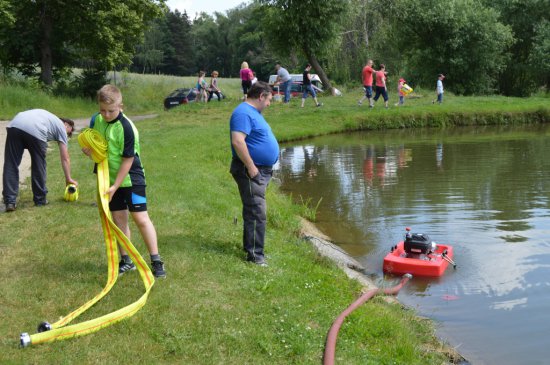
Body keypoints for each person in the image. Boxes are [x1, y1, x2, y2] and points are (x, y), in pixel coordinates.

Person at [82, 84, 166, 278]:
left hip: (131, 179)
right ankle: (126, 261)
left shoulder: (127, 128)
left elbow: (128, 160)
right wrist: (89, 152)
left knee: (140, 218)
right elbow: (98, 148)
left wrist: (115, 186)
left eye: (111, 111)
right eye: (102, 110)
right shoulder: (97, 120)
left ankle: (156, 260)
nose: (106, 115)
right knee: (119, 219)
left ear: (121, 106)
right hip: (109, 180)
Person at [229, 81, 279, 267]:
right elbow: (238, 141)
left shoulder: (252, 113)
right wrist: (251, 167)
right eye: (269, 100)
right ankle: (256, 256)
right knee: (257, 212)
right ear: (261, 96)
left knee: (252, 210)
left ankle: (251, 248)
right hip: (249, 170)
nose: (269, 104)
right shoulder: (242, 113)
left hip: (258, 170)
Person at [2, 109, 77, 212]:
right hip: (36, 129)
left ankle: (10, 201)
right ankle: (40, 200)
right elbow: (65, 158)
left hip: (15, 124)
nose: (66, 136)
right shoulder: (61, 127)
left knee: (11, 164)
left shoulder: (49, 118)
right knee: (39, 165)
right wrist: (68, 178)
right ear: (66, 124)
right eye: (69, 132)